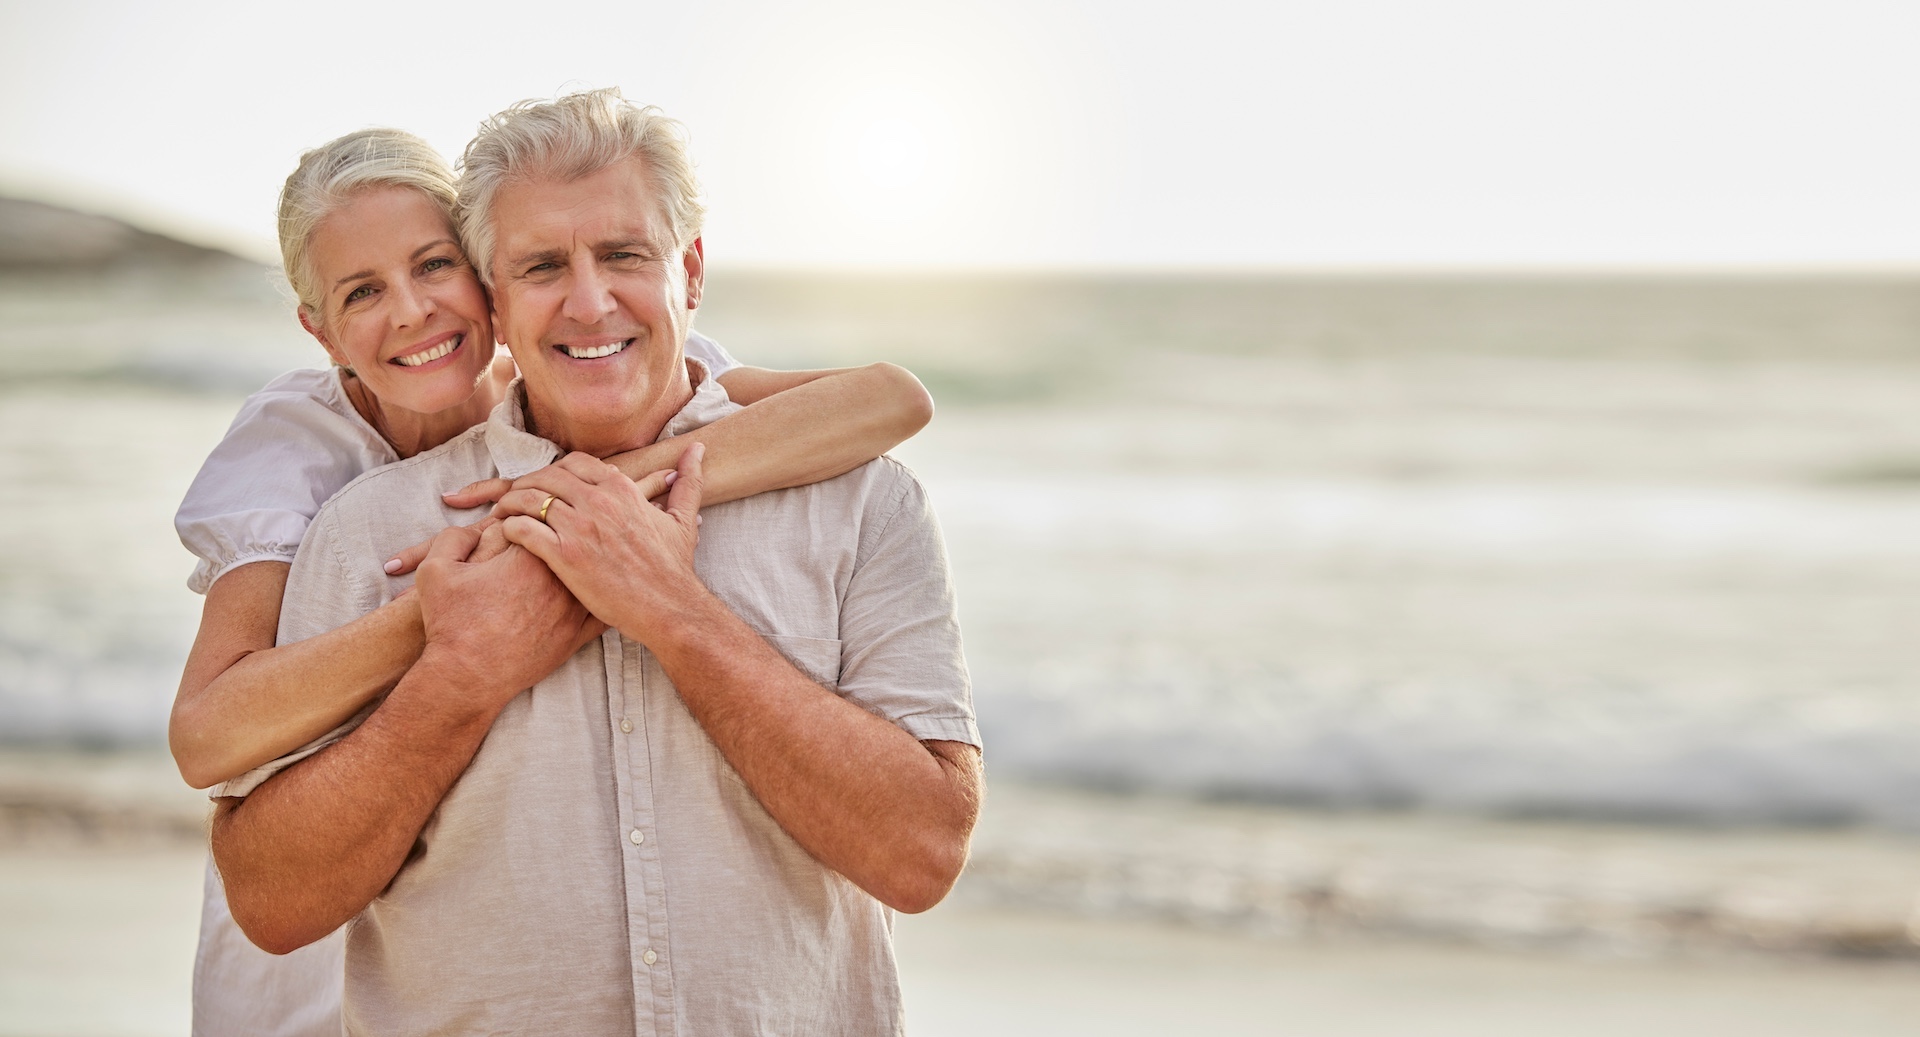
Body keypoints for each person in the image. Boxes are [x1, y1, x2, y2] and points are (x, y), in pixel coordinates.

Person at [211, 87, 981, 1033]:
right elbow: (271, 903)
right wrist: (455, 676)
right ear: (494, 298)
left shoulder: (860, 497)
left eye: (623, 254)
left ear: (689, 271)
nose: (589, 300)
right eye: (541, 266)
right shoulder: (363, 528)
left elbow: (924, 856)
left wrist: (673, 610)